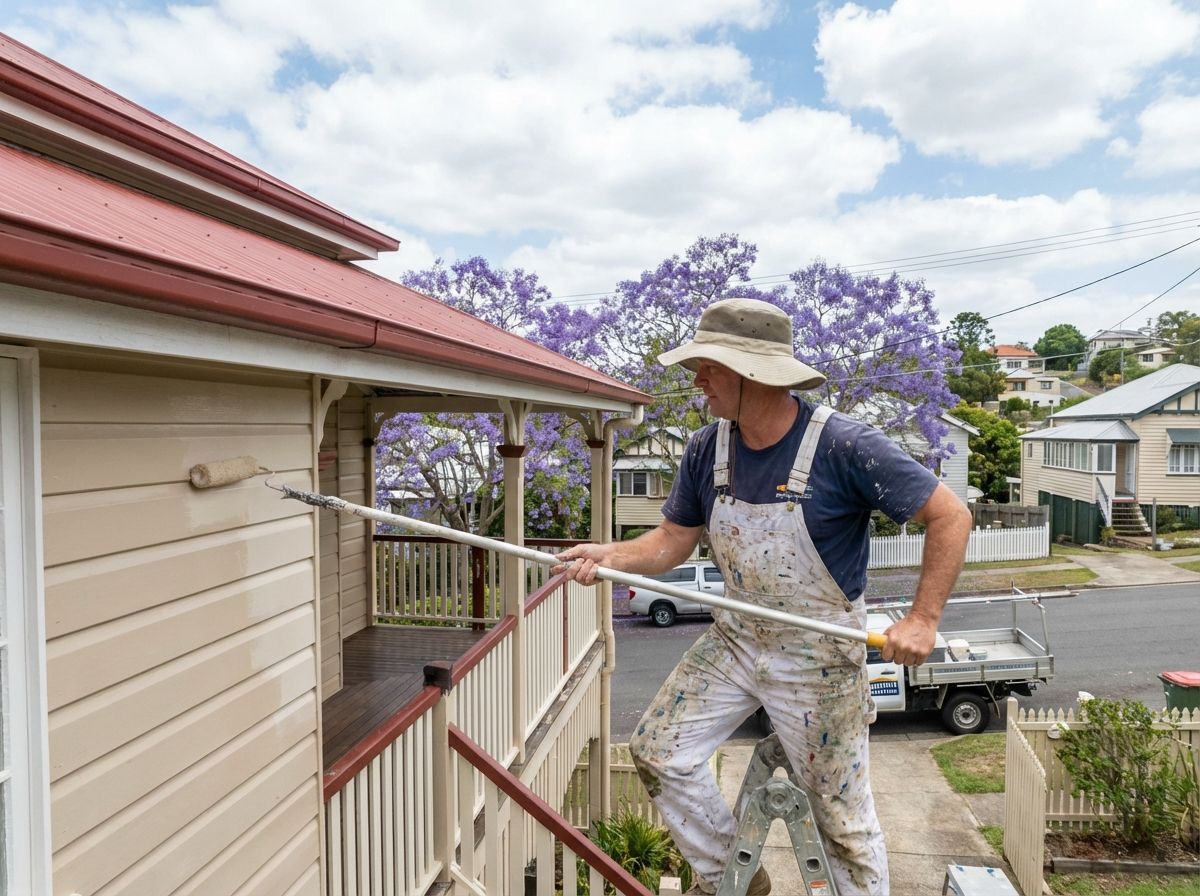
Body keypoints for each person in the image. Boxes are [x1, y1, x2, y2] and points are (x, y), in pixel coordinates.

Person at [557, 297, 972, 895]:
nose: (696, 380)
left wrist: (923, 618)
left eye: (708, 367)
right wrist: (612, 556)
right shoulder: (707, 448)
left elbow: (950, 515)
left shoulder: (844, 446)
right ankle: (737, 878)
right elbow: (674, 539)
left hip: (820, 656)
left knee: (843, 823)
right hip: (736, 638)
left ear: (753, 374)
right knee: (658, 752)